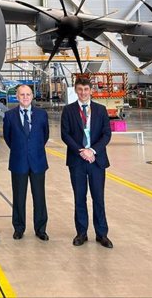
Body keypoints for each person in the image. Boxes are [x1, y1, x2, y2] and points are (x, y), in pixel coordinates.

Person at [61, 77, 113, 249]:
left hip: (96, 161)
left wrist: (92, 151)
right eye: (80, 89)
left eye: (86, 89)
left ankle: (102, 234)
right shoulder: (68, 110)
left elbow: (106, 134)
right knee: (79, 198)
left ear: (91, 90)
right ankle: (81, 232)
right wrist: (81, 151)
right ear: (76, 90)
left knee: (98, 198)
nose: (83, 93)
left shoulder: (100, 110)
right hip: (78, 161)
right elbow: (65, 134)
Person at [3, 84, 50, 241]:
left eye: (28, 94)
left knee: (39, 196)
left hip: (37, 162)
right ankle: (19, 228)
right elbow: (8, 138)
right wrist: (21, 150)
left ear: (32, 96)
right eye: (22, 94)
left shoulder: (42, 115)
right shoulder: (9, 116)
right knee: (18, 197)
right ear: (17, 96)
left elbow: (44, 136)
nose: (25, 97)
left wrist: (32, 149)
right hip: (18, 162)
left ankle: (41, 229)